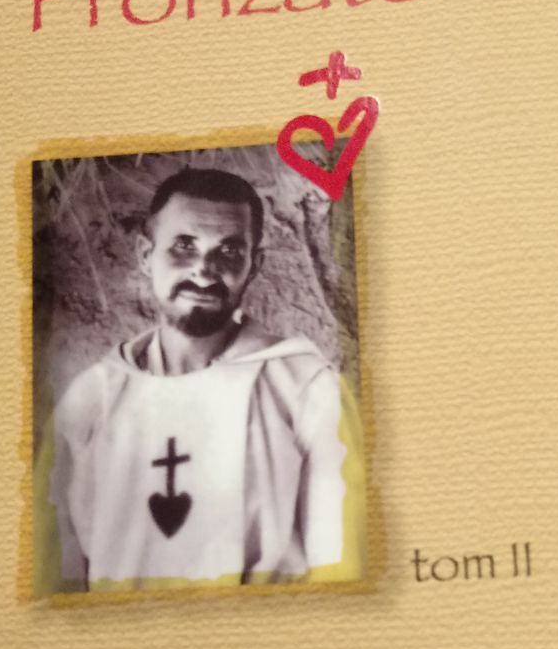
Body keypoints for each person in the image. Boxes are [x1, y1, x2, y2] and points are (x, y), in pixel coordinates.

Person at [38, 165, 364, 592]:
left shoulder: (307, 389)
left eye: (229, 250)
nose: (204, 271)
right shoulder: (88, 403)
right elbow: (52, 584)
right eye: (184, 245)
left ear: (254, 265)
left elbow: (341, 568)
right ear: (145, 255)